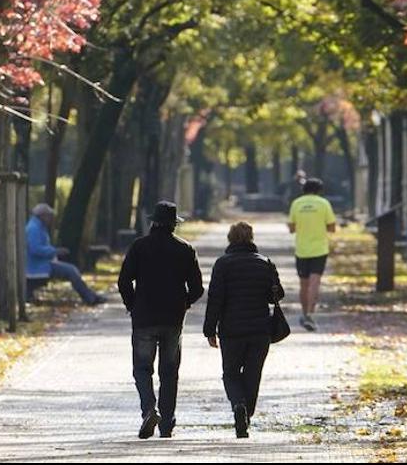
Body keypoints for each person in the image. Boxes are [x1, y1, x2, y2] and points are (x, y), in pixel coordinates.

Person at [117, 200, 204, 440]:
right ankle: (167, 422)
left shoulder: (139, 247)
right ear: (174, 225)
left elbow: (124, 281)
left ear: (153, 222)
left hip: (144, 316)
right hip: (173, 318)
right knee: (169, 371)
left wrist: (132, 304)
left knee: (142, 369)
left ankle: (148, 409)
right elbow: (197, 288)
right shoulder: (185, 249)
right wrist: (184, 302)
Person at [203, 221, 284, 439]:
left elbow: (215, 299)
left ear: (230, 239)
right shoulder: (264, 263)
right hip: (260, 330)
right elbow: (276, 295)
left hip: (231, 330)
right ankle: (247, 412)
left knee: (230, 373)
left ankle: (238, 405)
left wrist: (209, 329)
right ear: (251, 238)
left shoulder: (222, 264)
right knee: (253, 374)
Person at [26, 203, 107, 306]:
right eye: (49, 216)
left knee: (72, 270)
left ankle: (91, 297)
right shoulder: (34, 228)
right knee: (71, 271)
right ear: (42, 215)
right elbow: (35, 249)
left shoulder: (38, 226)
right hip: (38, 266)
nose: (50, 219)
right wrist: (54, 251)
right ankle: (90, 298)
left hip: (42, 264)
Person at [287, 177, 336, 332]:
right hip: (320, 249)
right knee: (315, 283)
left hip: (302, 249)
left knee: (304, 284)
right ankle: (310, 314)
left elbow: (291, 228)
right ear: (319, 190)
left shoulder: (296, 203)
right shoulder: (324, 204)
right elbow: (332, 227)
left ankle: (304, 312)